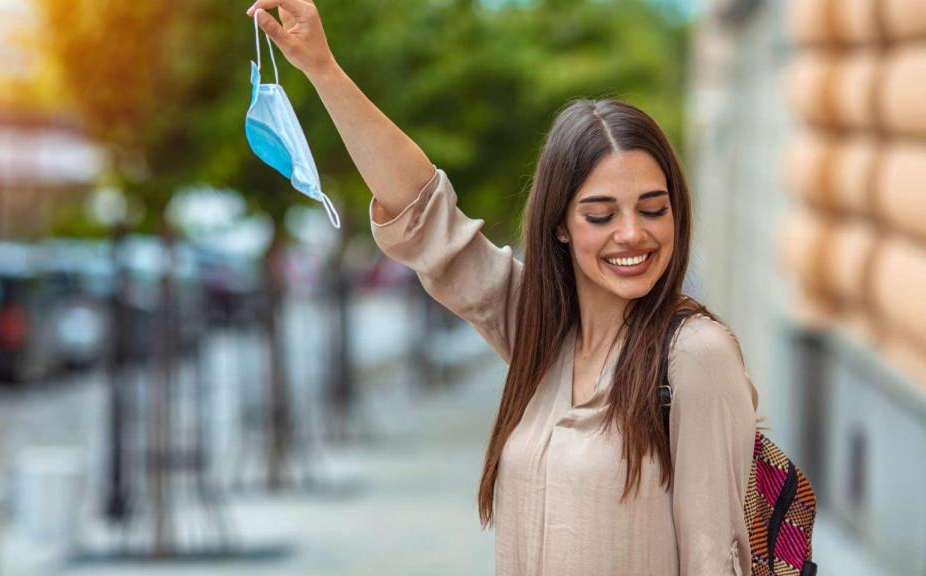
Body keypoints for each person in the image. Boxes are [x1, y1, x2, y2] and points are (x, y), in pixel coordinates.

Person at [246, 1, 759, 575]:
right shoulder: (538, 330)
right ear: (560, 225)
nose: (632, 233)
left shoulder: (695, 356)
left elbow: (716, 560)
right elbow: (422, 217)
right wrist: (322, 69)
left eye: (653, 208)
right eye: (600, 214)